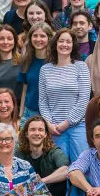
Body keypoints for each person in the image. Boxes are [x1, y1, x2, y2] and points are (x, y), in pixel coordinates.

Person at [39, 28, 91, 161]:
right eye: (61, 41)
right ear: (55, 44)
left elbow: (84, 99)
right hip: (54, 129)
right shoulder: (45, 69)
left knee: (81, 166)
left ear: (73, 45)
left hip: (77, 126)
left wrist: (67, 122)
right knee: (59, 167)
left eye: (68, 42)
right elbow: (43, 101)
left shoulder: (81, 67)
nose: (64, 44)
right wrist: (49, 124)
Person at [17, 115, 70, 196]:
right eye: (33, 130)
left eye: (40, 130)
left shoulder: (54, 151)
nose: (37, 133)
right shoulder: (20, 153)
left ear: (45, 134)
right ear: (27, 134)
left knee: (60, 179)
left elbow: (66, 170)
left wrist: (41, 181)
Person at [18, 22, 53, 123]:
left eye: (42, 36)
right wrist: (21, 114)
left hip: (51, 113)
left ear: (49, 38)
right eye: (35, 36)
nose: (38, 39)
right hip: (30, 112)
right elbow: (25, 89)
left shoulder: (55, 62)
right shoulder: (26, 60)